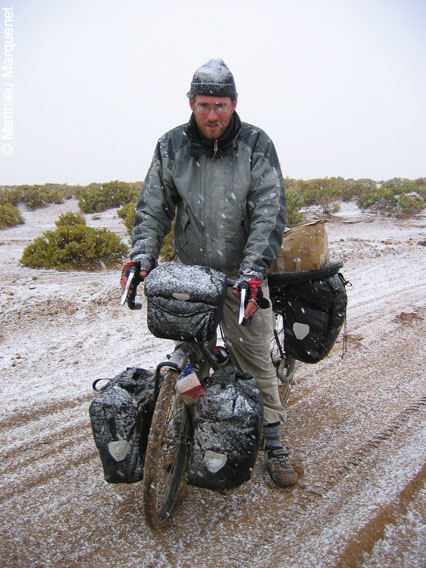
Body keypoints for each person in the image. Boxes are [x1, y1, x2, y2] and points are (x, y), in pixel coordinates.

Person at [121, 58, 298, 487]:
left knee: (254, 356)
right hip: (194, 272)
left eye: (220, 105)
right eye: (204, 105)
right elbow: (153, 208)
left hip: (243, 274)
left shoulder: (256, 144)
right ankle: (183, 413)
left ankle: (274, 442)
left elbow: (268, 213)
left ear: (234, 104)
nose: (212, 115)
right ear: (191, 103)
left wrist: (255, 270)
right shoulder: (172, 146)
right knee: (187, 352)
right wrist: (143, 255)